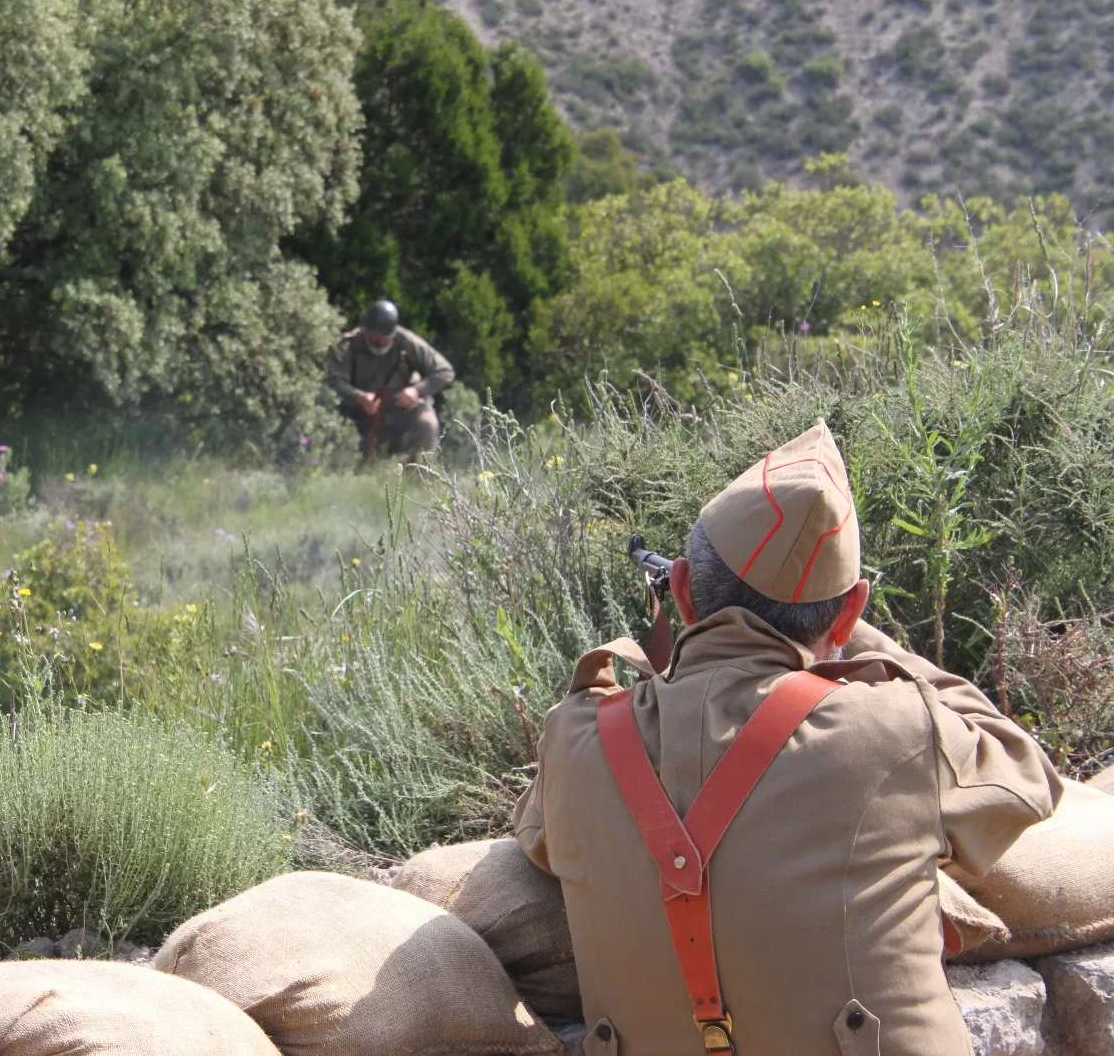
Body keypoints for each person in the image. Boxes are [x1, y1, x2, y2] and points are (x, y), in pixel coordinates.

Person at [514, 420, 1061, 1056]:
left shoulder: (574, 737)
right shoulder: (899, 727)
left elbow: (540, 835)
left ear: (683, 590)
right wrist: (860, 644)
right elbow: (1026, 773)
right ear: (850, 610)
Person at [327, 300, 454, 460]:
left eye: (385, 338)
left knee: (427, 423)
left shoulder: (406, 341)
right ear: (365, 329)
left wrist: (416, 390)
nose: (380, 342)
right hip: (359, 418)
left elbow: (444, 370)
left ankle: (418, 477)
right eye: (375, 337)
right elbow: (335, 381)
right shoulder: (347, 345)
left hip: (400, 412)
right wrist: (358, 397)